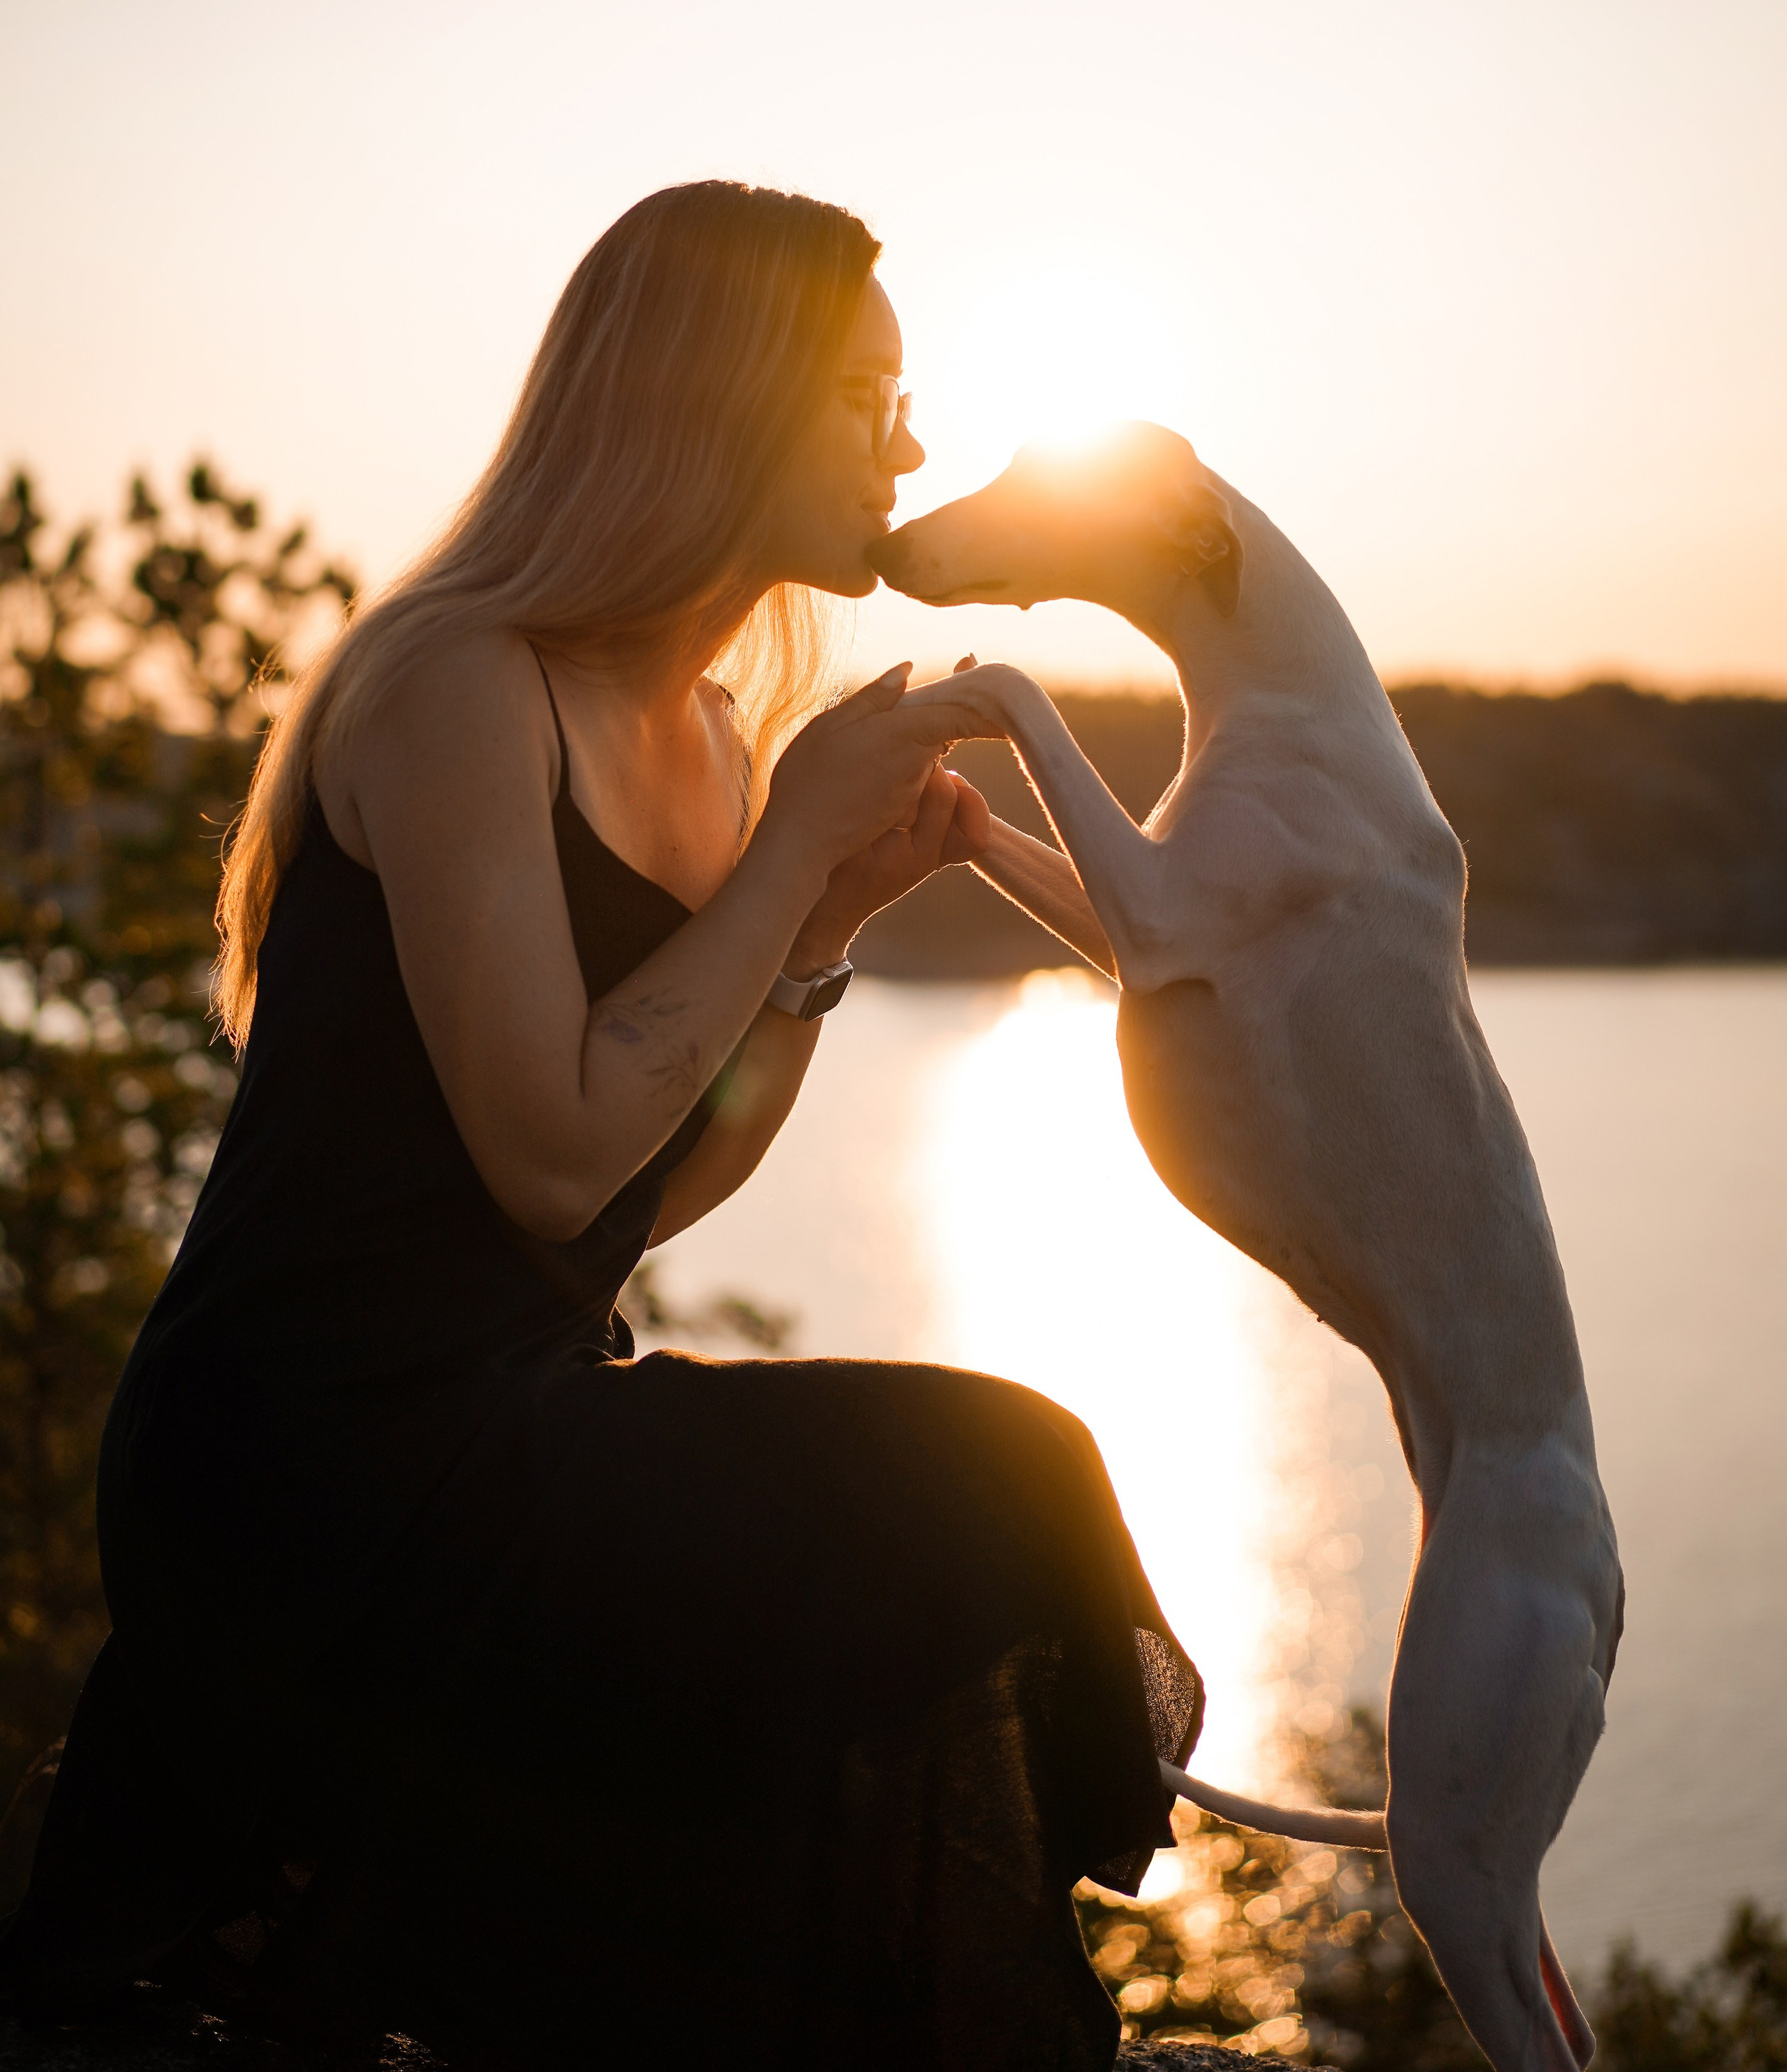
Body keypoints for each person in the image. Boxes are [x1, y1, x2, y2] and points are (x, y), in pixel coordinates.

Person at [1, 183, 1201, 2072]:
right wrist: (792, 851)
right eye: (865, 397)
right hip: (303, 1452)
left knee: (956, 1492)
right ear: (719, 400)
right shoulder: (458, 684)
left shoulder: (712, 738)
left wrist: (816, 933)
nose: (905, 447)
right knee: (982, 1474)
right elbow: (553, 1152)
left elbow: (655, 1177)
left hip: (518, 1413)